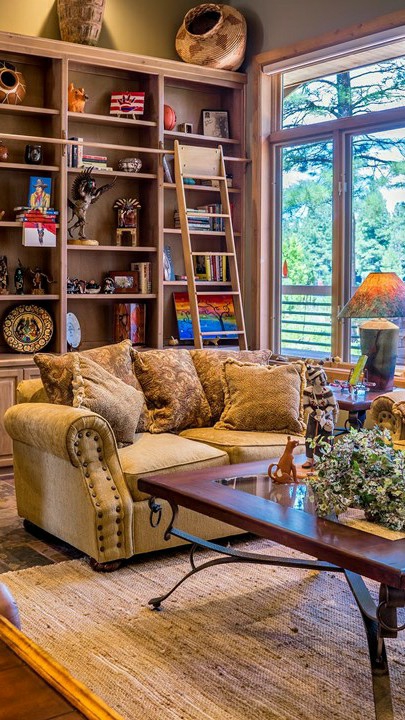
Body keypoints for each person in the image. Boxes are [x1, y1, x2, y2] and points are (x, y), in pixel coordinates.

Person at [302, 365, 338, 468]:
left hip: (326, 417)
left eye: (324, 376)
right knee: (310, 436)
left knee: (325, 438)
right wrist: (314, 414)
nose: (323, 380)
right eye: (320, 378)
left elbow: (332, 405)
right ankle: (310, 459)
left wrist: (323, 413)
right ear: (313, 380)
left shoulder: (327, 392)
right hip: (313, 418)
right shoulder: (307, 391)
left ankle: (324, 459)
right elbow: (306, 405)